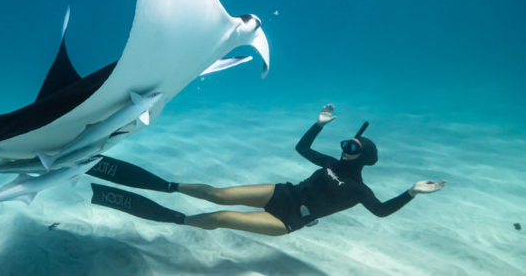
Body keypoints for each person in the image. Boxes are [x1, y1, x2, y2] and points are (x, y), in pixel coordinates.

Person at [89, 104, 446, 236]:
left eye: (351, 147)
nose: (345, 148)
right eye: (345, 143)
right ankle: (166, 186)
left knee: (221, 217)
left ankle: (176, 220)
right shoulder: (333, 163)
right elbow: (302, 149)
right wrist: (319, 124)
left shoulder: (359, 191)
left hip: (289, 219)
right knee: (217, 193)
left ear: (362, 157)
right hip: (283, 192)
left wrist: (412, 193)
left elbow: (382, 212)